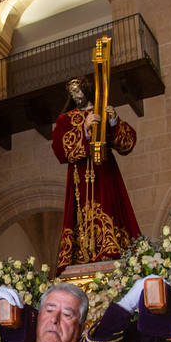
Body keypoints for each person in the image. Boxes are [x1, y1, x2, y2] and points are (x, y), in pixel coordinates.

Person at [53, 77, 140, 273]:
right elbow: (59, 149)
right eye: (72, 93)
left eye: (78, 91)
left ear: (87, 90)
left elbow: (126, 145)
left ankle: (112, 248)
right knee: (81, 213)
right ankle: (82, 254)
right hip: (80, 176)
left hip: (105, 172)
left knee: (109, 206)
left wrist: (114, 120)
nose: (75, 96)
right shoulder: (66, 119)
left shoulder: (104, 111)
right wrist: (83, 129)